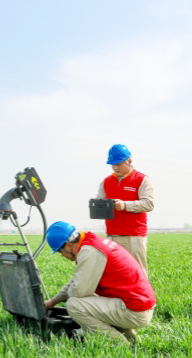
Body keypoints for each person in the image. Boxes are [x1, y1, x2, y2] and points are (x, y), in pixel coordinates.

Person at [43, 221, 156, 343]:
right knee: (90, 301)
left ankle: (119, 344)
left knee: (74, 305)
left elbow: (79, 291)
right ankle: (132, 340)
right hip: (137, 304)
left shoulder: (90, 251)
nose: (63, 256)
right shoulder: (91, 243)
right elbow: (77, 280)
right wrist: (53, 302)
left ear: (68, 245)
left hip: (134, 310)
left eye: (60, 251)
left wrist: (70, 297)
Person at [96, 144, 154, 274]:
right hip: (112, 234)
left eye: (118, 163)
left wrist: (125, 205)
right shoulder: (106, 182)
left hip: (134, 235)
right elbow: (100, 202)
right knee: (115, 273)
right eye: (113, 164)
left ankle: (142, 295)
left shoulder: (142, 180)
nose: (115, 167)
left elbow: (149, 204)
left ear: (129, 161)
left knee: (137, 273)